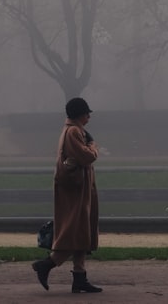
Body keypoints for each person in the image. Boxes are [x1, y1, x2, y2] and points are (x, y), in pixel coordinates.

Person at [32, 97, 102, 293]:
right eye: (86, 113)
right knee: (73, 232)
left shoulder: (75, 131)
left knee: (81, 232)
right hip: (75, 191)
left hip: (79, 190)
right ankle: (46, 264)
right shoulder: (73, 132)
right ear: (80, 114)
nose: (89, 116)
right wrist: (94, 147)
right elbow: (87, 157)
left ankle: (79, 277)